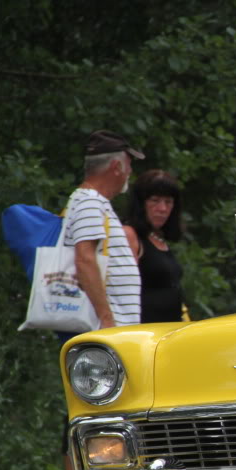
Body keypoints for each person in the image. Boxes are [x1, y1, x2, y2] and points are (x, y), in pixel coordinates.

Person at [62, 130, 144, 330]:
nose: (130, 172)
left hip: (115, 329)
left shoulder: (94, 202)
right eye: (129, 164)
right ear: (116, 167)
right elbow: (85, 259)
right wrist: (107, 319)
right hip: (106, 330)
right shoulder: (89, 202)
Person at [123, 170, 187, 322]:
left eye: (168, 202)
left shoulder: (159, 239)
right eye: (155, 200)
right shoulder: (129, 235)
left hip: (170, 330)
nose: (163, 208)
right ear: (141, 203)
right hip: (142, 332)